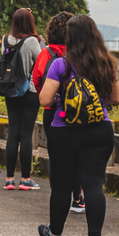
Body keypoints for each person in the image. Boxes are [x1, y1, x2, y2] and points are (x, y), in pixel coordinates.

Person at [38, 15, 119, 236]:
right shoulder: (107, 64)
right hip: (99, 129)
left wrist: (61, 98)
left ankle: (55, 234)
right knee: (94, 183)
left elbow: (44, 99)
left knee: (62, 186)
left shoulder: (60, 65)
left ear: (70, 38)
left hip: (64, 130)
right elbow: (115, 98)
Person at [31, 11, 84, 212]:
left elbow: (37, 80)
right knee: (77, 155)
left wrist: (48, 98)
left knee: (56, 156)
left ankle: (57, 197)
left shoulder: (45, 54)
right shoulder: (77, 52)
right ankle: (78, 199)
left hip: (51, 111)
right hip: (76, 112)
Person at [0, 8, 43, 191]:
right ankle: (26, 179)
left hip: (11, 90)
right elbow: (41, 64)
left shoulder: (5, 40)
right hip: (30, 91)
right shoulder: (33, 41)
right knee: (26, 134)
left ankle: (9, 179)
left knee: (13, 133)